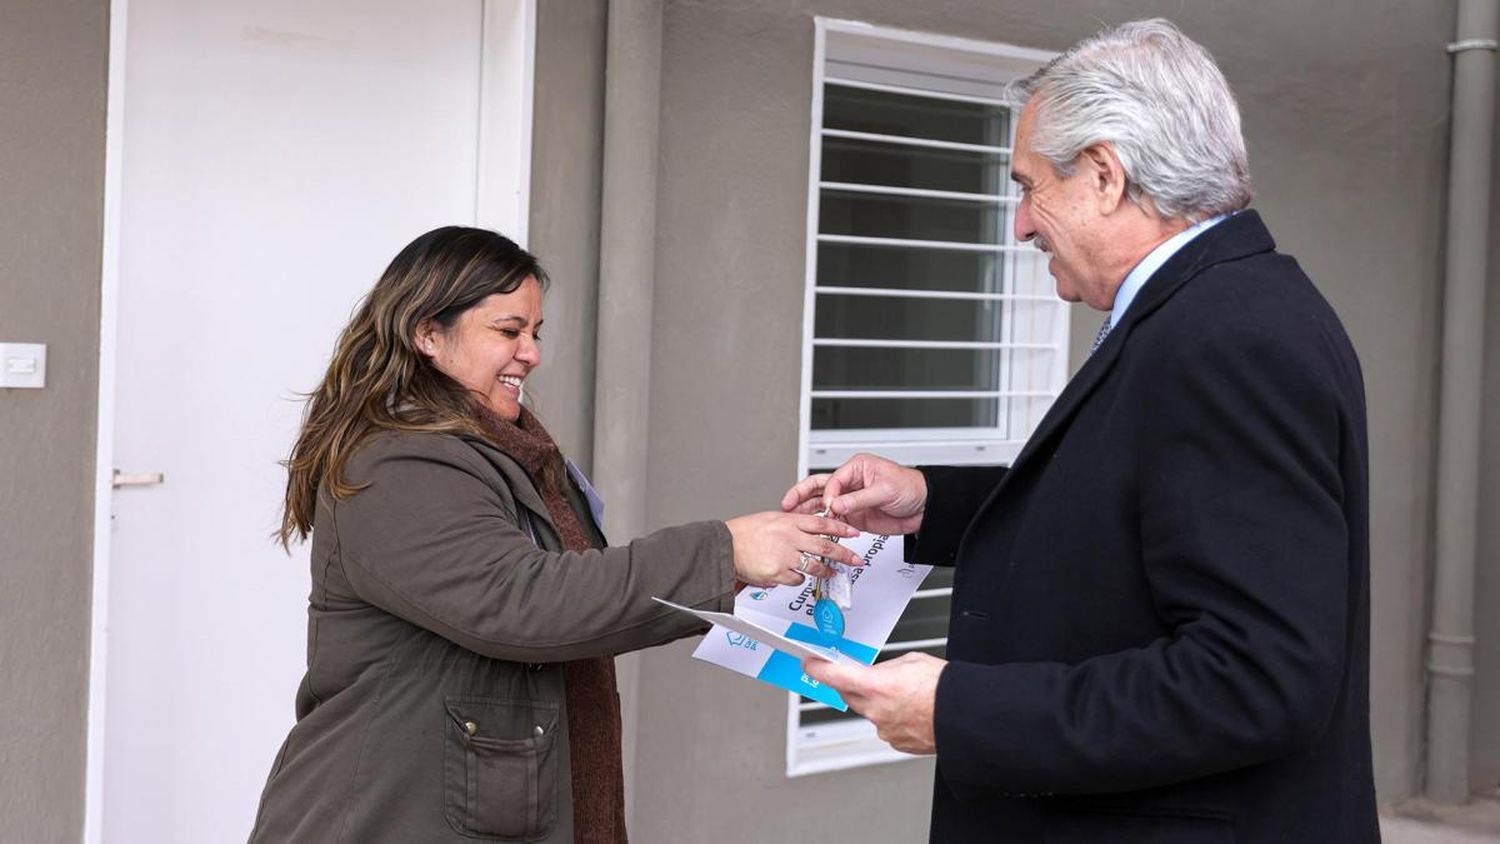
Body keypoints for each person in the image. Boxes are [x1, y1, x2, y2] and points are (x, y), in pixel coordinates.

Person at [783, 19, 1378, 843]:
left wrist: (963, 711)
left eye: (1029, 187)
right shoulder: (1213, 309)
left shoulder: (1229, 336)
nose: (1021, 225)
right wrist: (931, 502)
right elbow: (1143, 501)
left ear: (1104, 174)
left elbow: (1258, 678)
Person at [249, 226, 858, 843]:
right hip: (383, 816)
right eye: (509, 331)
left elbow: (584, 601)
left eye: (535, 333)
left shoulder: (508, 452)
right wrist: (724, 551)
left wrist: (757, 578)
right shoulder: (398, 461)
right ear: (428, 333)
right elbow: (525, 602)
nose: (531, 353)